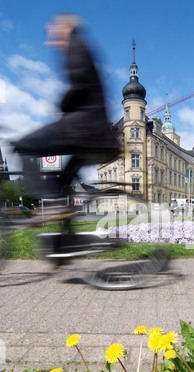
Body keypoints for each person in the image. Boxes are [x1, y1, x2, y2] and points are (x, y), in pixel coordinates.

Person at [12, 14, 120, 220]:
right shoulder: (83, 46)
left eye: (52, 31)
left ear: (65, 28)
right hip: (96, 135)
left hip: (81, 129)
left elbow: (79, 84)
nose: (49, 39)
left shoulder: (75, 46)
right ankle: (66, 240)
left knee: (23, 147)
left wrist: (63, 104)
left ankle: (52, 202)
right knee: (62, 181)